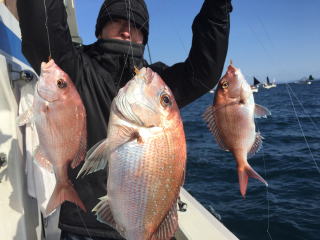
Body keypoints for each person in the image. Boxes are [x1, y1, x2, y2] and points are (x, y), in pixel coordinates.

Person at [17, 0, 232, 239]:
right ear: (99, 29)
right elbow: (42, 35)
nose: (127, 30)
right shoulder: (74, 68)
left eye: (137, 26)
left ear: (144, 36)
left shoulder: (155, 85)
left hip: (148, 222)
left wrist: (218, 7)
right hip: (86, 227)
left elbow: (204, 71)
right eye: (116, 21)